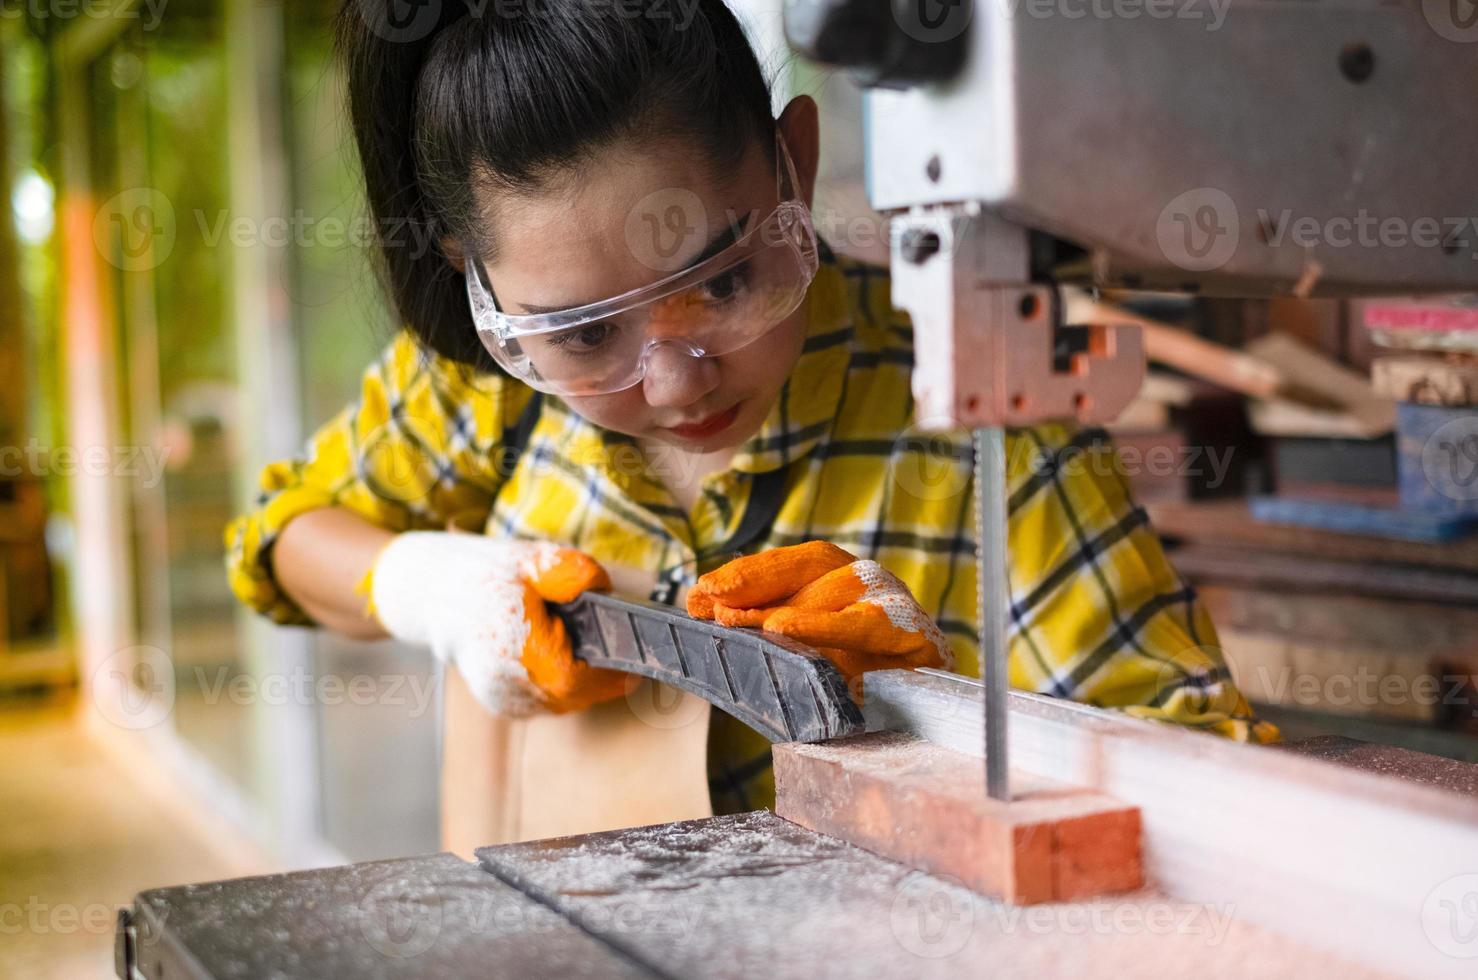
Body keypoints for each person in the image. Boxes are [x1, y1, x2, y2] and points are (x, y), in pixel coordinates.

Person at [225, 0, 1276, 824]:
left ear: (795, 167)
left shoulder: (974, 401)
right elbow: (277, 539)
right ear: (477, 286)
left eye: (722, 284)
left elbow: (1201, 768)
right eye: (586, 336)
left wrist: (936, 704)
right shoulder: (480, 387)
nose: (677, 382)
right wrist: (420, 583)